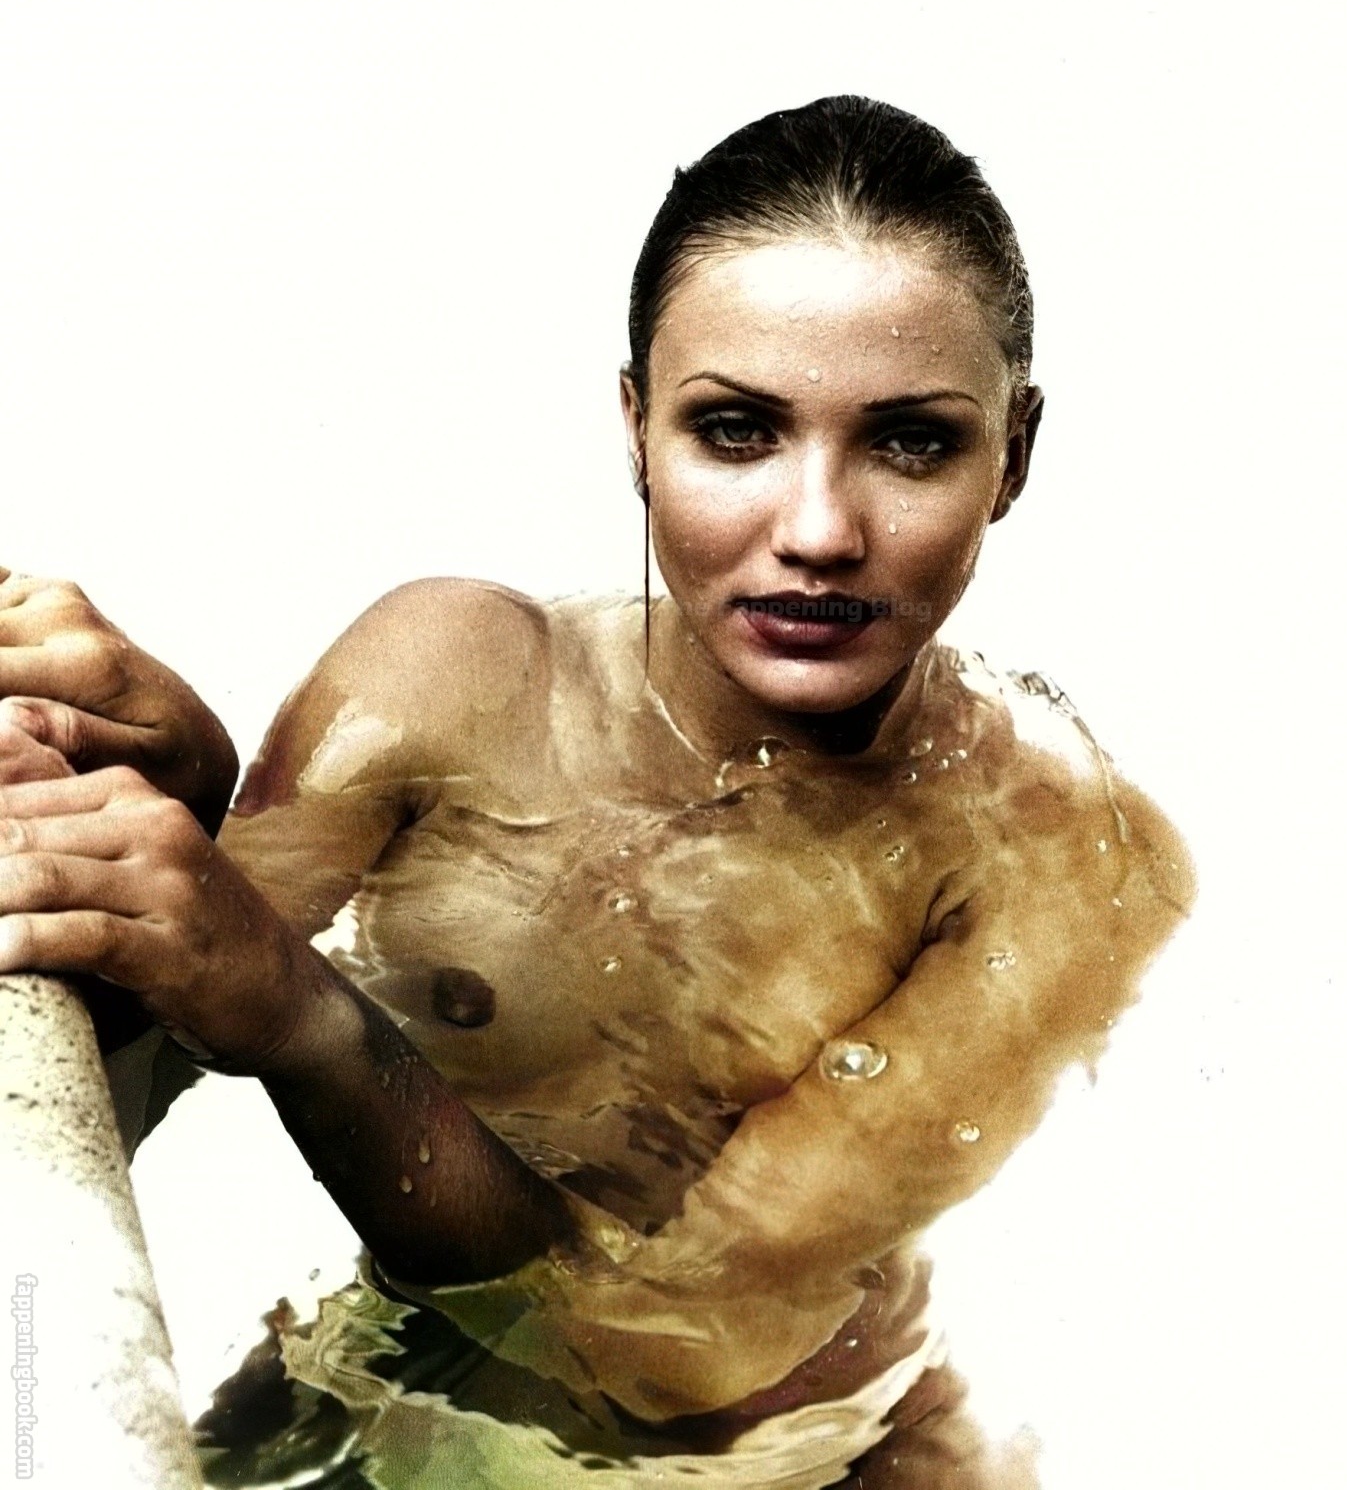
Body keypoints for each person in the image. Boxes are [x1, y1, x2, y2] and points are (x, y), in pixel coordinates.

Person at [0, 96, 1194, 1487]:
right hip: (405, 1369)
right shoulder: (449, 679)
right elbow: (155, 1043)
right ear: (636, 427)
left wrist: (296, 1009)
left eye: (912, 443)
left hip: (793, 1457)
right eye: (735, 431)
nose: (818, 532)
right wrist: (182, 785)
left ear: (1016, 456)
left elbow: (668, 1355)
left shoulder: (1050, 853)